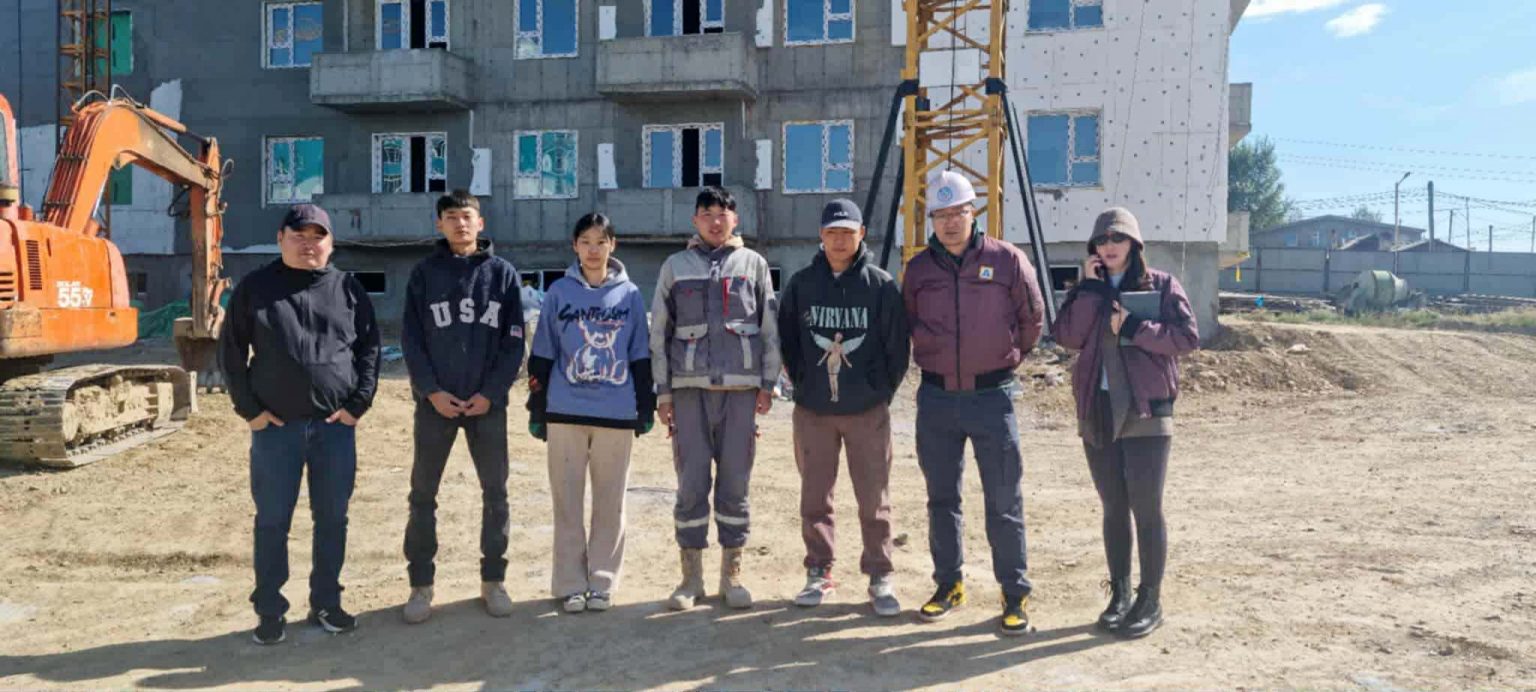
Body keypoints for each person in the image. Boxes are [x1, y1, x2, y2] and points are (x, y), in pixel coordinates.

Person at [218, 204, 381, 645]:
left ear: (331, 243)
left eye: (317, 236)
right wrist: (250, 411)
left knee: (332, 519)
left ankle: (326, 602)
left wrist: (358, 405)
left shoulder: (348, 289)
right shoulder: (256, 288)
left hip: (335, 429)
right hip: (276, 431)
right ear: (280, 239)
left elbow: (369, 350)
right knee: (273, 521)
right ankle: (270, 610)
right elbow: (231, 353)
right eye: (299, 235)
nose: (309, 244)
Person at [902, 170, 1045, 636]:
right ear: (931, 219)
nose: (949, 223)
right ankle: (949, 585)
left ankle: (1014, 592)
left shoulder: (1006, 260)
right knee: (942, 498)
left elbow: (1032, 319)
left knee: (1003, 498)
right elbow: (908, 322)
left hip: (992, 398)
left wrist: (1006, 361)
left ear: (973, 213)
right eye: (939, 214)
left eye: (957, 212)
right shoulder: (919, 270)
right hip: (937, 398)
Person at [1050, 207, 1198, 639]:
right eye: (1102, 240)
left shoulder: (1162, 285)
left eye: (1118, 239)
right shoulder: (1086, 290)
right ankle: (1119, 594)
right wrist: (1089, 289)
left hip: (1146, 409)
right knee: (1113, 506)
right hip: (1097, 408)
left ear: (1134, 244)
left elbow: (1187, 337)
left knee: (1146, 507)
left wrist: (1134, 325)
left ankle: (1150, 598)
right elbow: (1067, 337)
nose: (1110, 246)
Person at [777, 199, 910, 616]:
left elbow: (897, 349)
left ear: (861, 234)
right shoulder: (801, 284)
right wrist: (805, 386)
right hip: (814, 411)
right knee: (815, 497)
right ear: (821, 235)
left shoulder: (880, 286)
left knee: (874, 498)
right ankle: (819, 571)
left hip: (867, 412)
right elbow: (787, 341)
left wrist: (878, 393)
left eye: (847, 233)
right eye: (832, 232)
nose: (839, 240)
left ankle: (879, 574)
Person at [651, 186, 781, 611]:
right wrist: (663, 392)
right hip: (689, 393)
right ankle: (691, 579)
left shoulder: (754, 265)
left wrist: (768, 383)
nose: (715, 220)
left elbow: (769, 328)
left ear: (735, 220)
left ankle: (732, 575)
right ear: (695, 221)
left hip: (741, 395)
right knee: (691, 483)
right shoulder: (675, 267)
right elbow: (660, 333)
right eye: (706, 213)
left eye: (722, 213)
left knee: (735, 484)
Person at [399, 189, 526, 624]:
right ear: (440, 224)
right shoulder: (424, 274)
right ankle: (421, 584)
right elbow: (411, 340)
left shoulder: (502, 275)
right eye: (451, 216)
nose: (460, 223)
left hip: (486, 405)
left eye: (467, 216)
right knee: (423, 494)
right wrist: (430, 391)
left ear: (480, 222)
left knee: (496, 493)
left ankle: (494, 580)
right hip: (436, 404)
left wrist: (491, 392)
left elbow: (513, 343)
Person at [526, 212, 655, 614]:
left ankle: (601, 582)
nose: (593, 250)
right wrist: (537, 406)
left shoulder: (629, 295)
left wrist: (645, 404)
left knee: (610, 504)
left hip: (615, 413)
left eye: (601, 241)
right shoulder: (559, 292)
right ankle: (569, 584)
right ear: (575, 246)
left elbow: (640, 353)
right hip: (565, 411)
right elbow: (543, 351)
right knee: (567, 504)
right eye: (585, 241)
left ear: (613, 245)